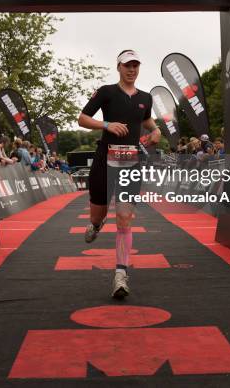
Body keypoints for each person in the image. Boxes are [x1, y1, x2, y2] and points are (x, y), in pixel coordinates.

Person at [78, 49, 161, 299]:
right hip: (105, 159)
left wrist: (155, 130)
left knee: (124, 217)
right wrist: (106, 125)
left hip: (131, 162)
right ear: (119, 68)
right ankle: (96, 224)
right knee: (99, 213)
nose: (131, 69)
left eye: (135, 65)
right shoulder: (106, 92)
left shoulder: (146, 97)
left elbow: (146, 120)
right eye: (127, 65)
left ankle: (120, 274)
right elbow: (82, 118)